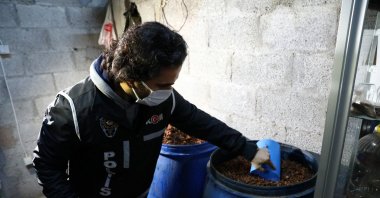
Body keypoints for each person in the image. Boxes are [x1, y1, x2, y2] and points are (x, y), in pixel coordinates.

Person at [33, 21, 274, 198]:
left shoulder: (163, 99)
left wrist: (247, 148)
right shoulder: (73, 108)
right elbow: (47, 165)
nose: (169, 90)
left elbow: (199, 122)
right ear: (131, 77)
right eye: (164, 84)